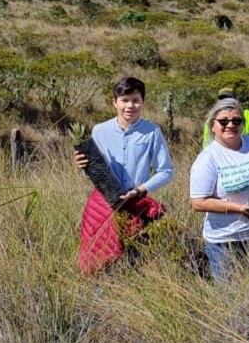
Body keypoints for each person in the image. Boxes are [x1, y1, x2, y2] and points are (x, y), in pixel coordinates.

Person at [74, 76, 174, 273]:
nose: (130, 106)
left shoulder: (152, 132)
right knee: (99, 260)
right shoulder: (100, 131)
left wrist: (139, 190)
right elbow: (95, 171)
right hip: (102, 204)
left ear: (142, 102)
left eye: (136, 100)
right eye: (125, 100)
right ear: (115, 102)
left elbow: (166, 171)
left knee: (133, 259)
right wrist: (83, 166)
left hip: (135, 203)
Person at [189, 98, 249, 282]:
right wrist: (239, 209)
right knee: (229, 299)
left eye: (236, 121)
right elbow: (198, 202)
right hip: (225, 241)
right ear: (212, 125)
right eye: (223, 121)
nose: (230, 125)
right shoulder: (208, 158)